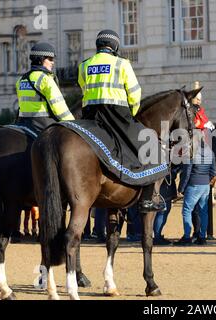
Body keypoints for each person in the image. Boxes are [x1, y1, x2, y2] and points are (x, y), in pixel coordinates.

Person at [78, 29, 164, 213]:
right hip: (116, 114)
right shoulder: (122, 64)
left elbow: (83, 88)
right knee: (152, 147)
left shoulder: (84, 65)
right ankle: (147, 199)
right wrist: (130, 116)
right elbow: (134, 94)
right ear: (115, 45)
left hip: (91, 116)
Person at [15, 42, 75, 133]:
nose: (53, 62)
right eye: (50, 59)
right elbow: (59, 106)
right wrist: (73, 124)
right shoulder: (45, 79)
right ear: (41, 60)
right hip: (42, 124)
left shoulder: (21, 80)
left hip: (22, 122)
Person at [175, 133, 216, 246]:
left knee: (187, 210)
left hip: (193, 184)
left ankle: (187, 237)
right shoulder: (210, 152)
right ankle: (202, 237)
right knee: (204, 212)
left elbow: (187, 173)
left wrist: (181, 189)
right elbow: (213, 172)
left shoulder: (192, 152)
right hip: (205, 186)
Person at [153, 167, 180, 246]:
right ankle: (157, 237)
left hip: (162, 188)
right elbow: (171, 176)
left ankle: (157, 235)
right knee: (162, 213)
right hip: (163, 189)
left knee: (162, 214)